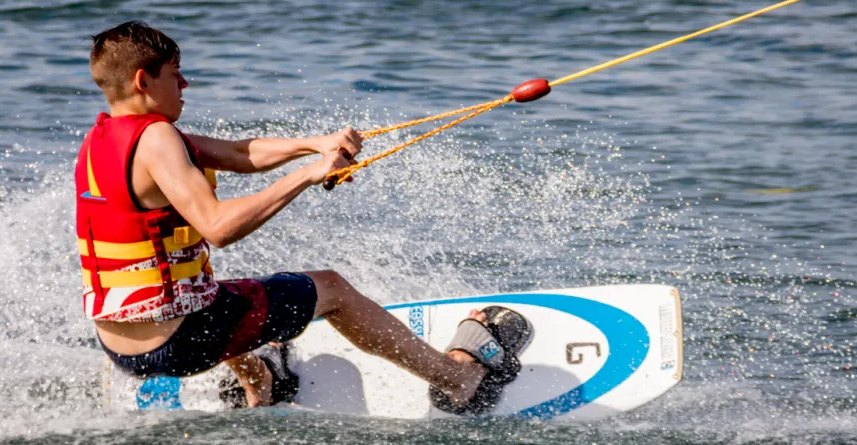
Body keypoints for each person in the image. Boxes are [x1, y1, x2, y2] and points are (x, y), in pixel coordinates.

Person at [76, 21, 526, 413]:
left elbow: (237, 154)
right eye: (175, 74)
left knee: (219, 290)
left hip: (122, 348)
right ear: (143, 80)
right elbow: (218, 227)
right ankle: (458, 380)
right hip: (183, 341)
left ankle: (260, 382)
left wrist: (316, 144)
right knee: (332, 289)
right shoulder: (158, 139)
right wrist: (308, 174)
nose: (185, 83)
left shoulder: (103, 139)